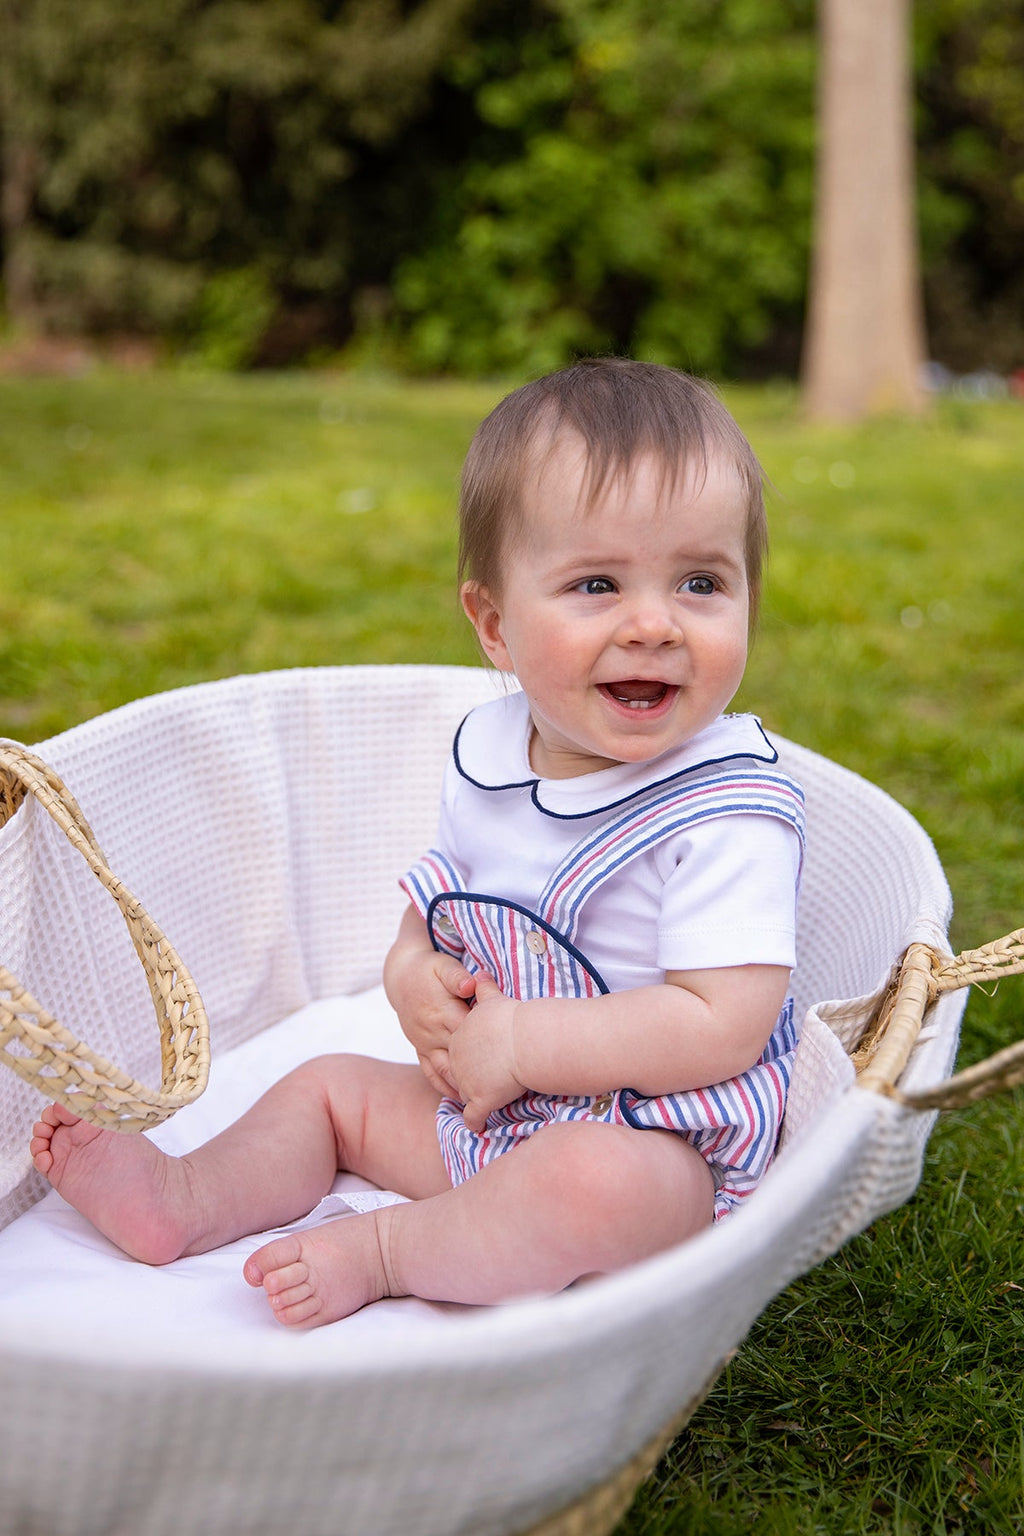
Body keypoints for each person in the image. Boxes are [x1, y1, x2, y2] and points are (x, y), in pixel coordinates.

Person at [30, 358, 805, 1328]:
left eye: (701, 582)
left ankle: (390, 1250)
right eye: (597, 584)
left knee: (586, 1183)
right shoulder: (494, 754)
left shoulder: (723, 810)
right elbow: (442, 898)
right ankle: (187, 1200)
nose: (653, 624)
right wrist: (409, 969)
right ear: (494, 625)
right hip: (493, 1113)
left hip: (659, 1148)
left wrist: (522, 1040)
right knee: (328, 1092)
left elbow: (719, 1021)